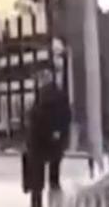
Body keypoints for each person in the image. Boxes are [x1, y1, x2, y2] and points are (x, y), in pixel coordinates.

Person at [25, 73, 72, 207]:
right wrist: (59, 133)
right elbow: (67, 116)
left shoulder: (40, 97)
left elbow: (36, 118)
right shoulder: (61, 95)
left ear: (42, 81)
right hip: (55, 142)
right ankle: (55, 202)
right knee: (54, 178)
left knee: (37, 181)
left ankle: (36, 204)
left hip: (38, 142)